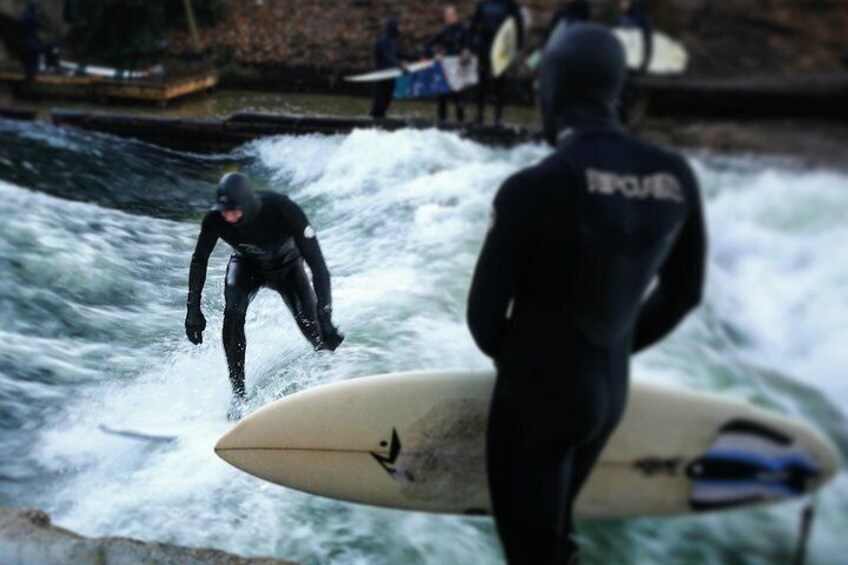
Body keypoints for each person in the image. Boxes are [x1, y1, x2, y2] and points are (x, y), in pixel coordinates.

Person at [467, 24, 706, 565]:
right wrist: (610, 345)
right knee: (556, 536)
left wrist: (531, 364)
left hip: (539, 397)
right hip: (610, 388)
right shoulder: (674, 177)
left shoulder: (533, 187)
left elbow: (483, 318)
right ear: (616, 89)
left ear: (549, 90)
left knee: (531, 553)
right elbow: (683, 293)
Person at [185, 173, 344, 420]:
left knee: (313, 326)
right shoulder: (216, 219)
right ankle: (238, 395)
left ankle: (334, 381)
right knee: (233, 313)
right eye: (224, 211)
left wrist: (325, 313)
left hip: (288, 268)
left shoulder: (283, 209)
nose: (228, 217)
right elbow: (199, 259)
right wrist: (192, 308)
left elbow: (319, 267)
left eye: (234, 211)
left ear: (248, 204)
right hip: (247, 267)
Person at [470, 0, 523, 125]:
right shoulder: (483, 4)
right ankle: (479, 114)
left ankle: (498, 117)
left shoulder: (510, 4)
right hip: (485, 47)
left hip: (501, 50)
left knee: (500, 83)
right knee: (482, 82)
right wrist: (474, 44)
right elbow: (473, 26)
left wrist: (517, 48)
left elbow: (518, 26)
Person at [425, 5, 472, 123]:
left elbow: (470, 45)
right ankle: (442, 122)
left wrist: (465, 54)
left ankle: (461, 122)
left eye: (450, 15)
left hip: (459, 67)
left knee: (458, 97)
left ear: (456, 16)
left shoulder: (464, 30)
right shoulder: (444, 31)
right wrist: (435, 55)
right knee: (442, 96)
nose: (447, 18)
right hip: (445, 67)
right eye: (446, 16)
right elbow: (429, 44)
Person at [370, 16, 405, 119]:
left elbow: (402, 55)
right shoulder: (382, 41)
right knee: (378, 107)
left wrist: (420, 56)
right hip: (380, 78)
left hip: (390, 79)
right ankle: (370, 127)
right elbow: (388, 57)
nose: (401, 29)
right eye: (399, 26)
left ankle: (381, 129)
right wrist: (400, 66)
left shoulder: (393, 43)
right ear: (393, 27)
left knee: (385, 106)